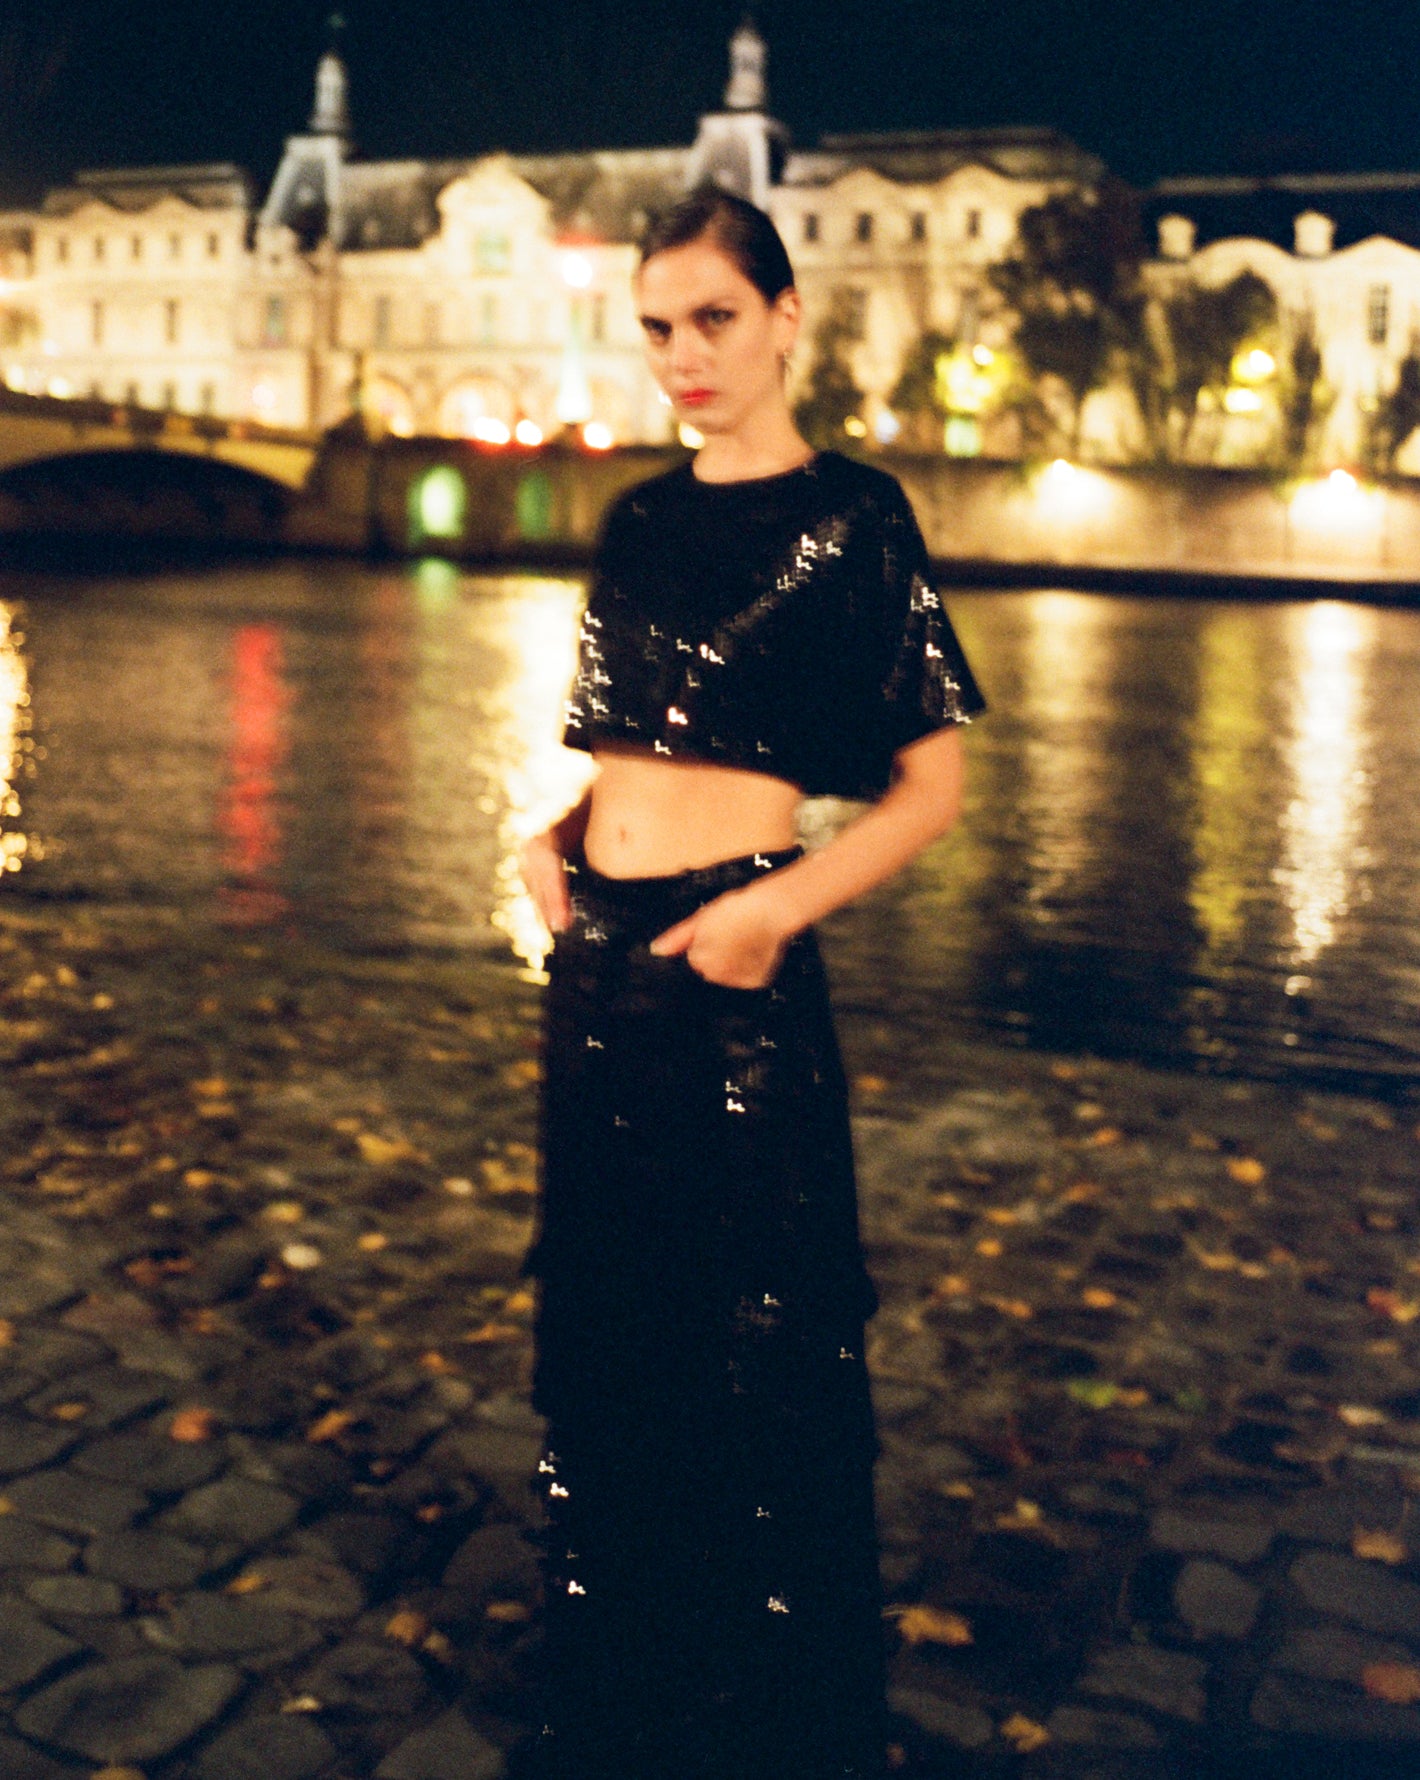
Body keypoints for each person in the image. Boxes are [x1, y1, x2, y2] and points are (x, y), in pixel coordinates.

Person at [514, 187, 986, 1780]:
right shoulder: (638, 521)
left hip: (735, 966)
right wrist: (555, 834)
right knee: (603, 1322)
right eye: (656, 328)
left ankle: (773, 1705)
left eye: (714, 318)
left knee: (762, 1330)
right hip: (596, 963)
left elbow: (928, 790)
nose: (683, 357)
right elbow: (621, 753)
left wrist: (772, 913)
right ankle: (624, 1666)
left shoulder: (857, 519)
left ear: (788, 316)